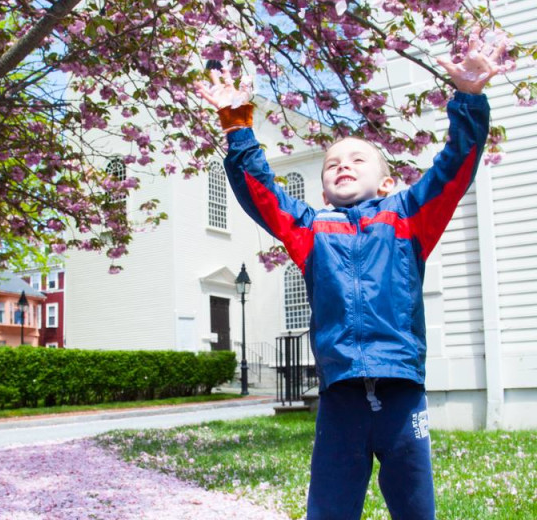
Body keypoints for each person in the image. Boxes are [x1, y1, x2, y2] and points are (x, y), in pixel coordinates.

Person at [195, 34, 504, 520]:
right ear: (322, 186)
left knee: (416, 507)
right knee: (330, 508)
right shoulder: (311, 229)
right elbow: (261, 192)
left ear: (386, 181)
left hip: (402, 390)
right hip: (340, 395)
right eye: (332, 163)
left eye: (357, 159)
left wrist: (468, 99)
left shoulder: (408, 217)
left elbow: (453, 170)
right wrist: (237, 123)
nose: (342, 165)